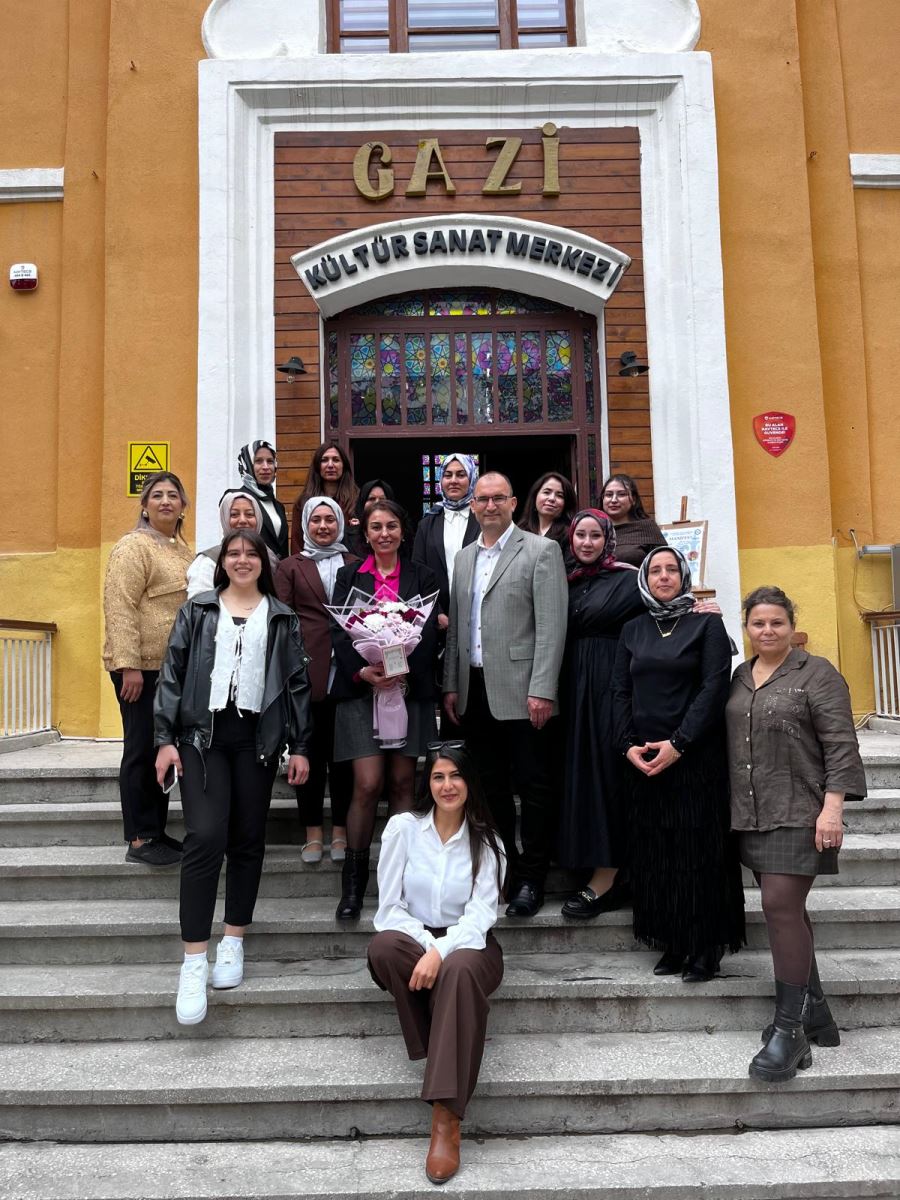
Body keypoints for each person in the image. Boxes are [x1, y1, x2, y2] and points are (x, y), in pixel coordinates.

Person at [154, 529, 312, 1025]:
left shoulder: (282, 616)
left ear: (265, 563)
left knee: (246, 839)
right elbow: (173, 671)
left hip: (256, 740)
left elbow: (296, 685)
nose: (243, 560)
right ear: (222, 562)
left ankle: (234, 941)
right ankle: (193, 960)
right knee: (204, 836)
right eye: (233, 554)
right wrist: (163, 738)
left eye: (252, 554)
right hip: (202, 737)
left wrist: (301, 745)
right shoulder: (198, 610)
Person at [726, 586, 866, 1082]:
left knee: (779, 908)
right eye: (758, 623)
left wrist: (833, 809)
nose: (767, 631)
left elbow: (841, 744)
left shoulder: (818, 673)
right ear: (747, 627)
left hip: (801, 808)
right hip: (752, 811)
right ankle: (818, 1013)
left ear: (791, 627)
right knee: (792, 912)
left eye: (776, 623)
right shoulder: (741, 676)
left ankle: (790, 1031)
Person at [367, 744, 506, 1185]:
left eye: (456, 776)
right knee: (383, 948)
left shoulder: (488, 842)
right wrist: (428, 945)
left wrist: (440, 953)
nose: (447, 786)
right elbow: (388, 910)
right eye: (438, 777)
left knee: (460, 970)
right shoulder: (403, 830)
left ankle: (446, 1120)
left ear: (469, 783)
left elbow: (481, 917)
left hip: (472, 946)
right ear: (428, 784)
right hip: (415, 937)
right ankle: (448, 1042)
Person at [612, 546, 745, 981]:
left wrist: (679, 743)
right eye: (656, 570)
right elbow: (620, 692)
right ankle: (671, 939)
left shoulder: (706, 623)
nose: (664, 576)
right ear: (645, 579)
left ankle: (705, 945)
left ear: (684, 577)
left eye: (672, 569)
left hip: (694, 758)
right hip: (645, 760)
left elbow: (712, 688)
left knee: (699, 852)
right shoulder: (632, 628)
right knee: (658, 853)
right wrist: (628, 744)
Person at [443, 471, 568, 917]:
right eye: (482, 500)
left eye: (498, 498)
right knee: (488, 786)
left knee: (534, 785)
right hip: (474, 689)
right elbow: (458, 628)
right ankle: (506, 870)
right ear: (472, 506)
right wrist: (452, 684)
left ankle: (533, 877)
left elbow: (552, 627)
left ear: (515, 503)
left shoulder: (541, 550)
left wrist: (542, 689)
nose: (489, 506)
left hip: (524, 691)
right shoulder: (462, 559)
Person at [330, 498, 441, 919]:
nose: (384, 534)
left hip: (408, 691)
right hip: (362, 693)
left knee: (401, 784)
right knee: (367, 783)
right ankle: (354, 884)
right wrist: (367, 672)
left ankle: (399, 882)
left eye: (392, 526)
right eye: (376, 527)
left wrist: (398, 670)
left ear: (403, 531)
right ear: (366, 533)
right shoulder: (348, 576)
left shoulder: (423, 576)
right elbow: (339, 633)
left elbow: (427, 633)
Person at [102, 471, 193, 867]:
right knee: (140, 748)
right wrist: (129, 666)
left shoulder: (181, 550)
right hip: (141, 670)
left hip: (170, 670)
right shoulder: (133, 547)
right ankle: (139, 839)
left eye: (173, 495)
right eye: (157, 495)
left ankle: (157, 831)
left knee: (161, 748)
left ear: (183, 506)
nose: (166, 501)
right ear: (145, 505)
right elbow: (120, 605)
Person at [557, 510, 641, 917]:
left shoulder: (628, 579)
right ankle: (589, 862)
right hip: (571, 689)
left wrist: (698, 609)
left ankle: (609, 875)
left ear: (607, 539)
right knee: (579, 775)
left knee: (607, 774)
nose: (586, 543)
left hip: (611, 687)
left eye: (595, 536)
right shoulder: (564, 580)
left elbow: (664, 608)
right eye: (580, 535)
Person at [274, 497, 357, 864]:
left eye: (330, 520)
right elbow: (282, 619)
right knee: (307, 753)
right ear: (306, 525)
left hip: (352, 673)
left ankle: (340, 831)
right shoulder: (292, 566)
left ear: (340, 523)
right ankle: (312, 832)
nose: (323, 526)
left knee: (344, 759)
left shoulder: (356, 564)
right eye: (316, 520)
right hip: (307, 674)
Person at [413, 453, 480, 618]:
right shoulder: (427, 524)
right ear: (441, 481)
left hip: (478, 614)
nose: (454, 480)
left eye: (461, 474)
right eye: (448, 475)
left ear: (472, 479)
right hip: (439, 617)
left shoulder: (482, 519)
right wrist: (436, 612)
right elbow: (417, 571)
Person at [186, 489, 278, 598]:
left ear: (258, 518)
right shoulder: (209, 561)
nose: (243, 520)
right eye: (234, 515)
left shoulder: (270, 557)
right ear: (224, 519)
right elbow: (199, 606)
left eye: (249, 514)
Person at [291, 440, 359, 553]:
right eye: (324, 460)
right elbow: (297, 543)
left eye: (336, 460)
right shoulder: (303, 503)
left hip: (349, 565)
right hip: (311, 566)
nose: (330, 465)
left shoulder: (357, 500)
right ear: (317, 466)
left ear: (344, 465)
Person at [236, 440, 289, 560]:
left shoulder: (279, 507)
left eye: (270, 461)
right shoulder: (238, 499)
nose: (266, 467)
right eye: (258, 461)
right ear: (247, 464)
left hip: (278, 576)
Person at [600, 473, 665, 568]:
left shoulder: (647, 529)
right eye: (609, 495)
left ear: (633, 499)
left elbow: (664, 564)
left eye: (621, 494)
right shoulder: (595, 532)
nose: (613, 500)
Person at [517, 471, 577, 552]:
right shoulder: (519, 532)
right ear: (535, 497)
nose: (552, 498)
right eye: (546, 492)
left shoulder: (570, 535)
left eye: (559, 495)